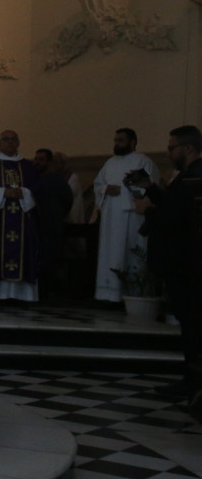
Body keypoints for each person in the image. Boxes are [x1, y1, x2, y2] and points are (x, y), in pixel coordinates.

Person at [131, 126, 202, 399]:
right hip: (186, 263)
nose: (167, 152)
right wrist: (152, 189)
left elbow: (176, 221)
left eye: (171, 147)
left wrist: (148, 208)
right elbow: (175, 207)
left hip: (187, 264)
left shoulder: (192, 178)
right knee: (190, 323)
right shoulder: (189, 176)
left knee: (193, 325)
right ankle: (191, 379)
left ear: (188, 148)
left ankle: (192, 382)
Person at [93, 128, 160, 303]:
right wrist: (105, 189)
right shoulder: (110, 163)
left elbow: (149, 188)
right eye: (115, 140)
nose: (116, 144)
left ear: (132, 142)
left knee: (130, 254)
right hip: (110, 218)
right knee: (109, 254)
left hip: (131, 218)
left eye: (121, 140)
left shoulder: (143, 161)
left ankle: (132, 297)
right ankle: (108, 295)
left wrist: (121, 191)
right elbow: (98, 184)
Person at [0, 130, 40, 301]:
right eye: (6, 139)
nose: (10, 143)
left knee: (23, 252)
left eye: (13, 140)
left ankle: (21, 295)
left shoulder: (28, 166)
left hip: (23, 220)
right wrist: (3, 193)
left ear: (18, 143)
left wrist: (23, 193)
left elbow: (37, 190)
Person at [33, 148, 74, 302]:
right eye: (36, 159)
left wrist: (55, 216)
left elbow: (67, 200)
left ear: (49, 162)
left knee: (50, 261)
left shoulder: (57, 180)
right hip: (36, 227)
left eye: (41, 159)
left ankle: (50, 293)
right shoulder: (33, 179)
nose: (37, 162)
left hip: (51, 228)